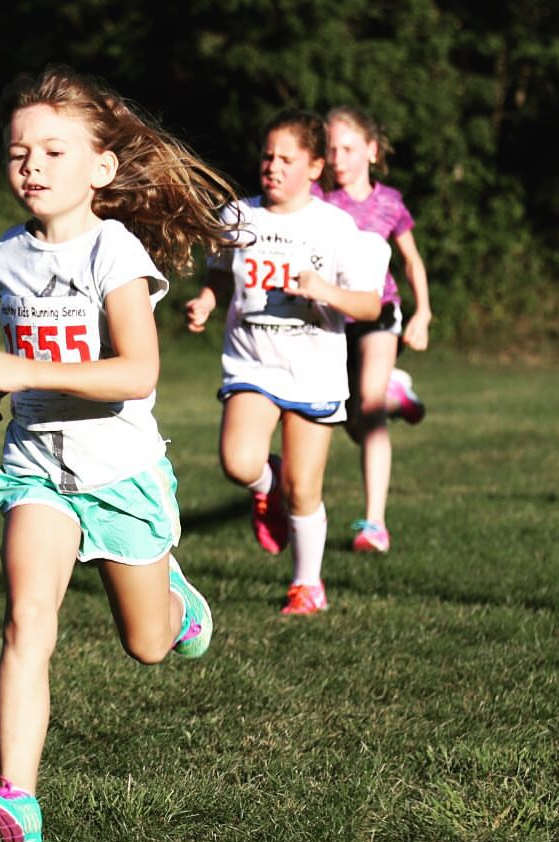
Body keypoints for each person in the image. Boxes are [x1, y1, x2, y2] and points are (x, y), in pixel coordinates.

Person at [0, 65, 237, 842]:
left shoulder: (116, 252)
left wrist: (24, 374)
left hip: (120, 472)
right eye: (18, 153)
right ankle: (16, 801)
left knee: (149, 645)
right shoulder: (6, 257)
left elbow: (135, 373)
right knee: (25, 621)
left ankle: (174, 596)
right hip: (37, 467)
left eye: (52, 150)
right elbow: (22, 362)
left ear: (100, 169)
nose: (32, 167)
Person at [185, 109, 390, 615]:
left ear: (315, 167)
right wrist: (208, 301)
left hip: (314, 369)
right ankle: (263, 484)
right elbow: (219, 273)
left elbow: (370, 305)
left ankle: (306, 583)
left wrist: (323, 290)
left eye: (287, 159)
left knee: (304, 489)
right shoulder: (239, 216)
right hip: (253, 364)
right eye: (267, 156)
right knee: (238, 462)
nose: (272, 166)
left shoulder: (336, 227)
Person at [312, 105, 432, 554]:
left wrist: (423, 313)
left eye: (347, 148)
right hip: (331, 320)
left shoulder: (389, 203)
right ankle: (395, 390)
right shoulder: (316, 201)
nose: (338, 158)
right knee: (352, 418)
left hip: (380, 314)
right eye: (330, 150)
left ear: (372, 151)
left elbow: (412, 260)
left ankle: (374, 524)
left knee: (369, 406)